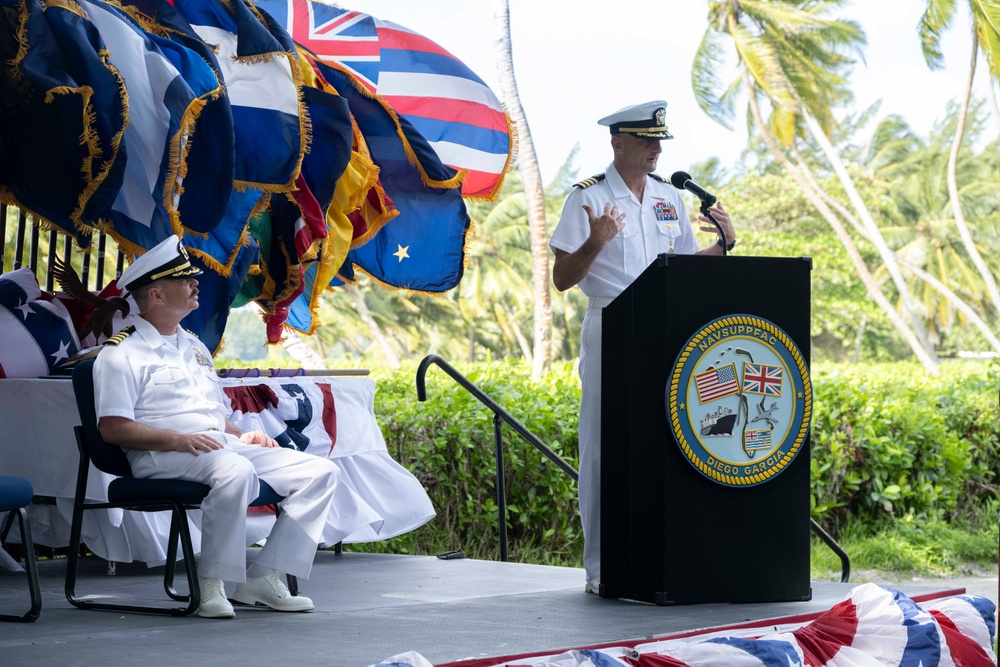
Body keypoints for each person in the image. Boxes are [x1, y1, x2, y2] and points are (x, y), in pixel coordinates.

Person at [93, 234, 340, 619]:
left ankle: (263, 576)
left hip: (217, 447)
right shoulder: (120, 354)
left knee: (320, 472)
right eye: (184, 280)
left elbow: (209, 412)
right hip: (159, 455)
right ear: (156, 295)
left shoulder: (194, 346)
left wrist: (244, 436)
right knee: (234, 469)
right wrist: (178, 439)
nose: (195, 284)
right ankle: (212, 584)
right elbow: (113, 428)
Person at [549, 100, 737, 595]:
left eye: (660, 142)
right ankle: (602, 566)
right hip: (612, 322)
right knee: (603, 444)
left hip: (666, 329)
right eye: (647, 141)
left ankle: (666, 557)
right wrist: (597, 241)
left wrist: (723, 244)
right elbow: (563, 278)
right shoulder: (587, 198)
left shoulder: (667, 197)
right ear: (617, 142)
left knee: (667, 443)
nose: (656, 150)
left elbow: (683, 271)